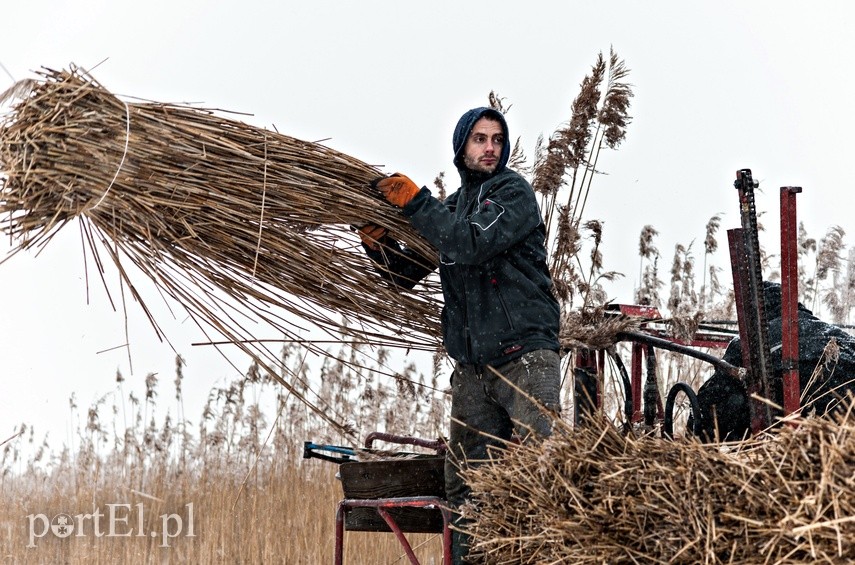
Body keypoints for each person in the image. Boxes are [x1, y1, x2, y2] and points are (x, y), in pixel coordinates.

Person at [358, 107, 561, 563]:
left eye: (496, 139)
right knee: (467, 484)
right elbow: (407, 274)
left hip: (524, 356)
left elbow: (469, 243)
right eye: (479, 139)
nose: (490, 147)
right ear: (461, 148)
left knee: (542, 470)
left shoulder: (513, 194)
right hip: (473, 367)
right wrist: (379, 247)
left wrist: (415, 203)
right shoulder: (454, 209)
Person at [694, 281, 855, 442]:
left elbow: (714, 398)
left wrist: (696, 439)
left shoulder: (751, 342)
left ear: (754, 315)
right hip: (846, 430)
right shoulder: (839, 336)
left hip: (791, 441)